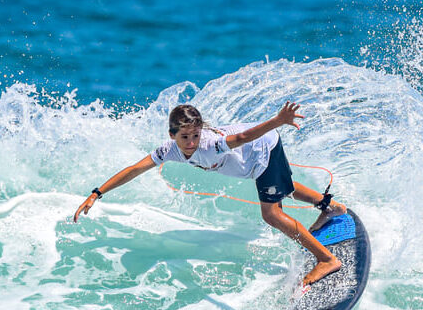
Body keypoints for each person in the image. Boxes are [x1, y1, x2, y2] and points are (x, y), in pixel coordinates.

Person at [73, 102, 348, 286]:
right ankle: (330, 207)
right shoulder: (169, 150)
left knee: (271, 213)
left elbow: (241, 139)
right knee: (278, 187)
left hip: (262, 148)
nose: (191, 144)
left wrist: (277, 121)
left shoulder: (209, 145)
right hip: (254, 161)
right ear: (172, 136)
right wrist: (97, 193)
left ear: (200, 132)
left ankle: (326, 260)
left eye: (194, 136)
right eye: (184, 138)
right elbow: (135, 169)